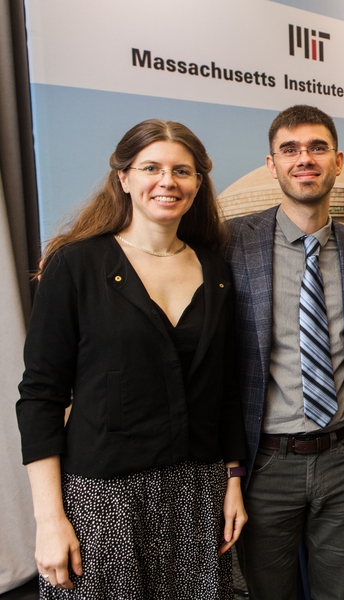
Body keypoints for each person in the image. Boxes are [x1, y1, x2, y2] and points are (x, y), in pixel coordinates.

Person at [16, 119, 247, 598]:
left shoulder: (216, 270)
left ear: (198, 183)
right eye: (151, 168)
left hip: (197, 494)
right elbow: (40, 395)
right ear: (123, 177)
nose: (168, 181)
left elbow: (224, 390)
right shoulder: (75, 265)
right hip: (103, 499)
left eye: (182, 171)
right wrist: (49, 519)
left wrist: (232, 479)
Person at [227, 104, 344, 600]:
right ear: (272, 164)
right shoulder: (232, 245)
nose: (304, 159)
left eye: (316, 148)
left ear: (337, 160)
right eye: (289, 150)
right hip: (267, 463)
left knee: (340, 593)